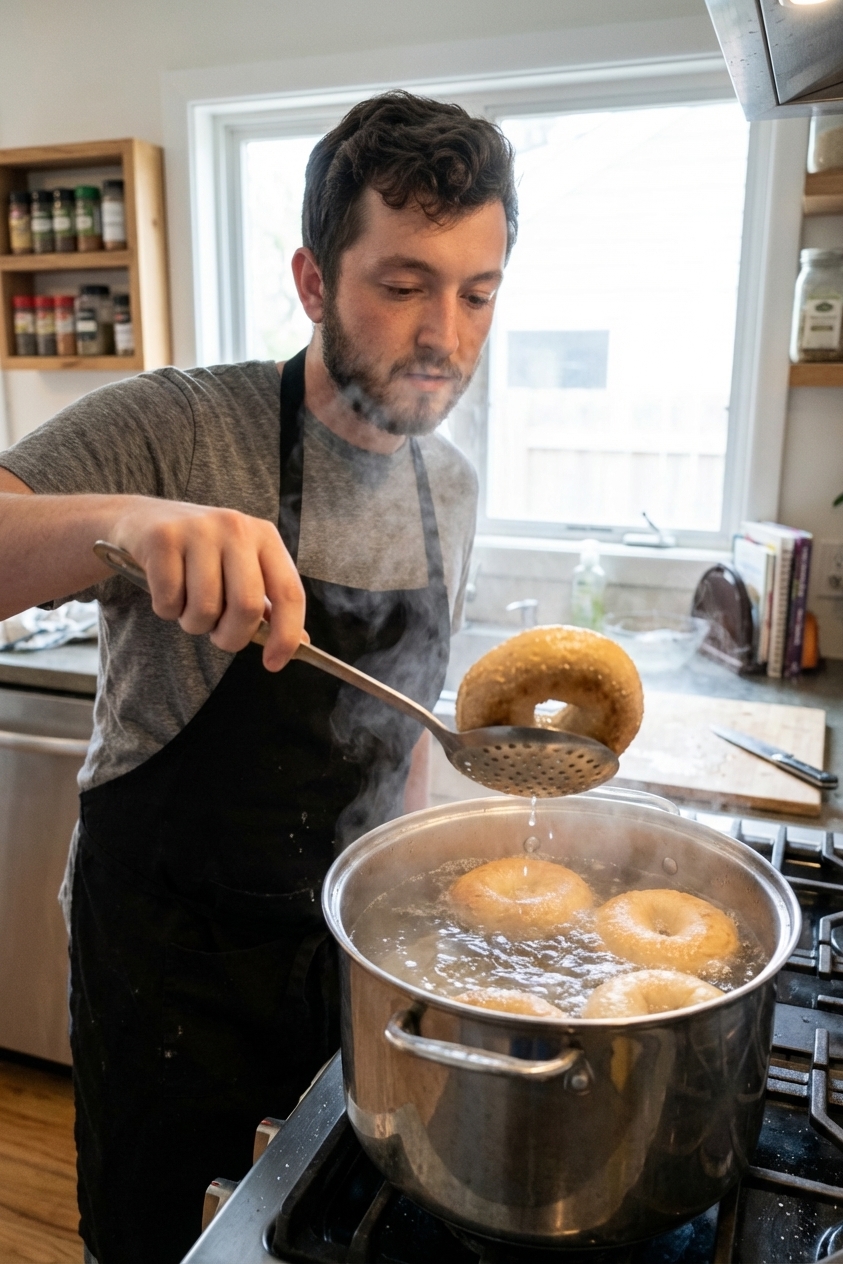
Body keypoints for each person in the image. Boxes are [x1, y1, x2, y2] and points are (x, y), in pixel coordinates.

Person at [0, 90, 517, 1264]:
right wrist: (131, 518)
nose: (445, 333)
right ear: (311, 279)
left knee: (319, 1235)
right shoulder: (178, 425)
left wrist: (414, 934)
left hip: (339, 961)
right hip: (161, 966)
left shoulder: (453, 491)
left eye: (477, 292)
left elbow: (403, 746)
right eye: (403, 284)